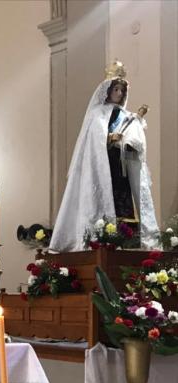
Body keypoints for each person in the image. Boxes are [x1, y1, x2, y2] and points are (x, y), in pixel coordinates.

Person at [49, 62, 159, 252]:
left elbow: (135, 138)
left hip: (121, 165)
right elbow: (93, 141)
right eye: (116, 89)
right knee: (105, 197)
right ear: (107, 90)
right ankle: (100, 235)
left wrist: (131, 135)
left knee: (123, 199)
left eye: (122, 90)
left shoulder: (126, 116)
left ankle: (127, 236)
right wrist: (109, 138)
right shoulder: (97, 114)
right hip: (103, 166)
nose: (119, 93)